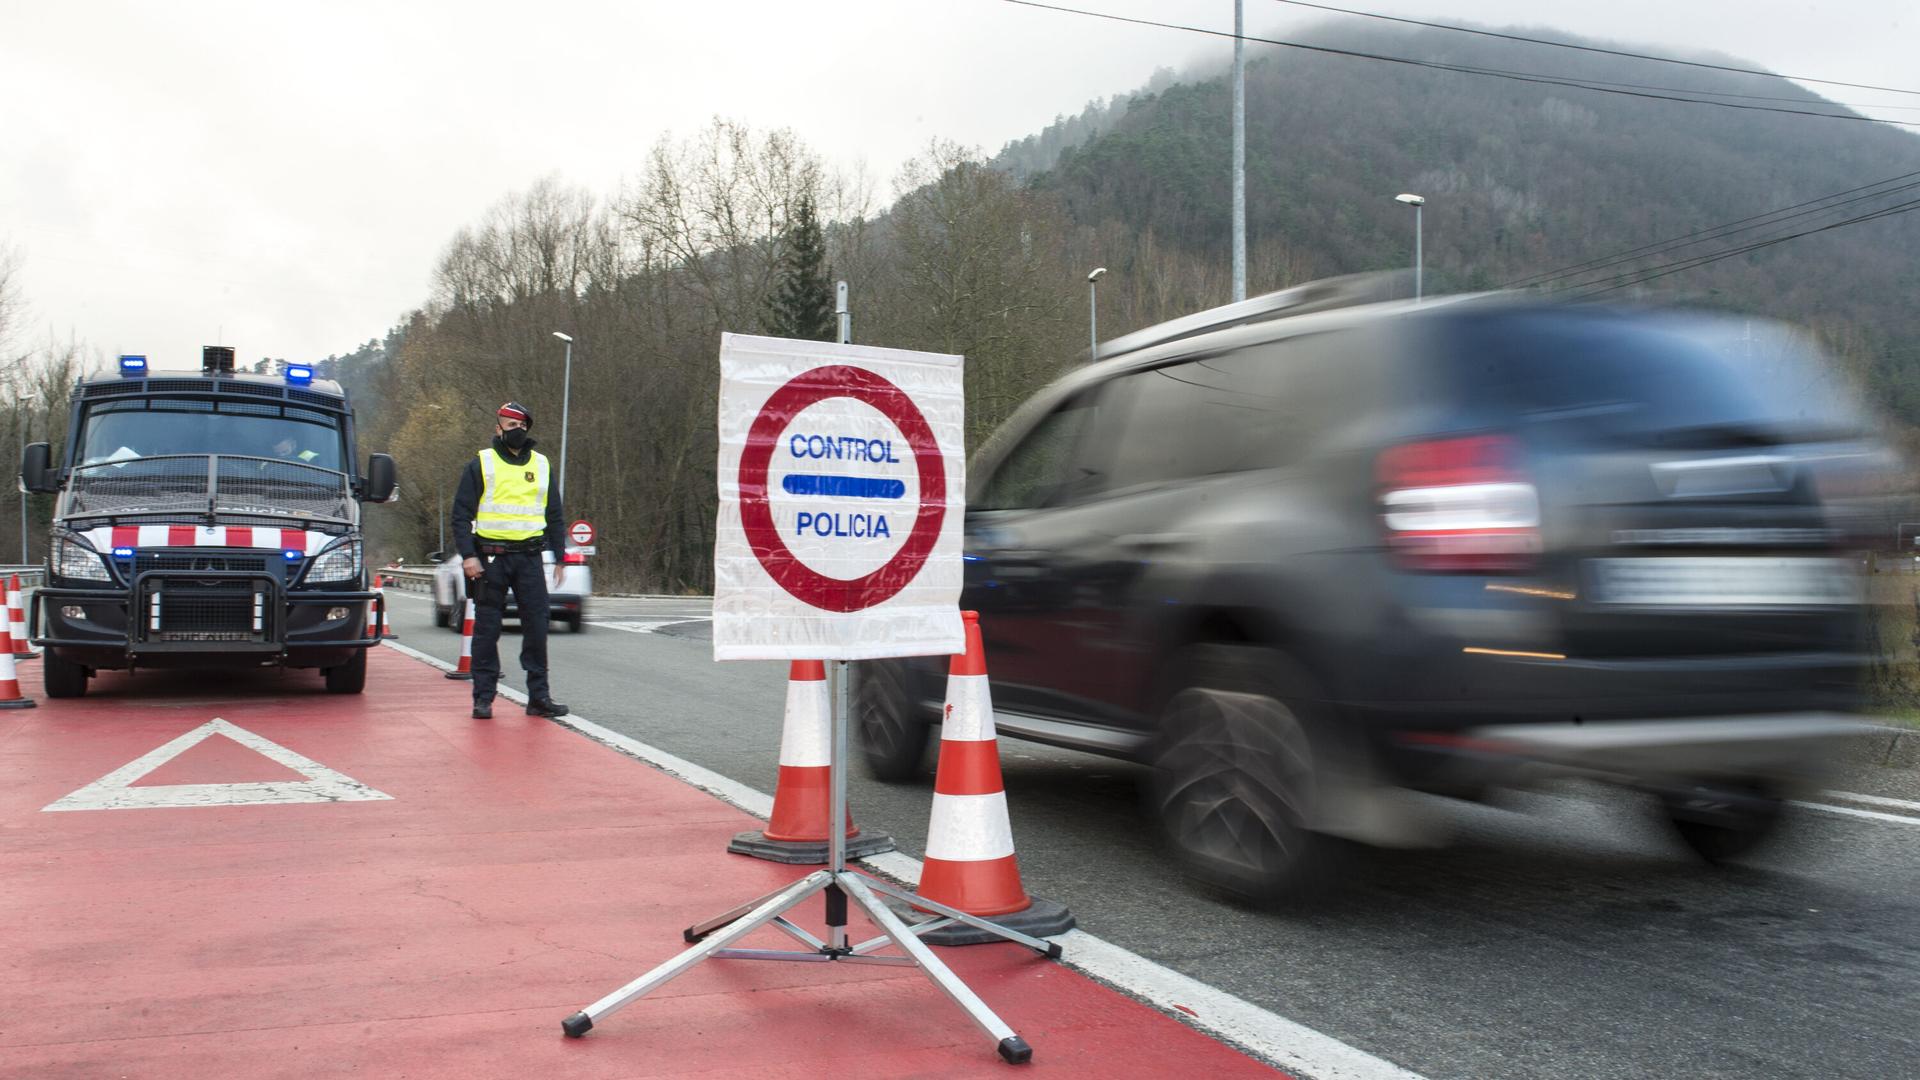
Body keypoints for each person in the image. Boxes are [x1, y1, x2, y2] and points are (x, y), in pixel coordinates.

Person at [448, 401, 569, 720]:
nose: (517, 431)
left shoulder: (542, 465)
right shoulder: (481, 464)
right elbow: (461, 515)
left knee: (537, 628)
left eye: (522, 426)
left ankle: (539, 698)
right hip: (491, 560)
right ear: (497, 428)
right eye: (510, 425)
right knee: (487, 631)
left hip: (530, 559)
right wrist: (469, 556)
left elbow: (554, 515)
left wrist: (560, 556)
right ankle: (483, 698)